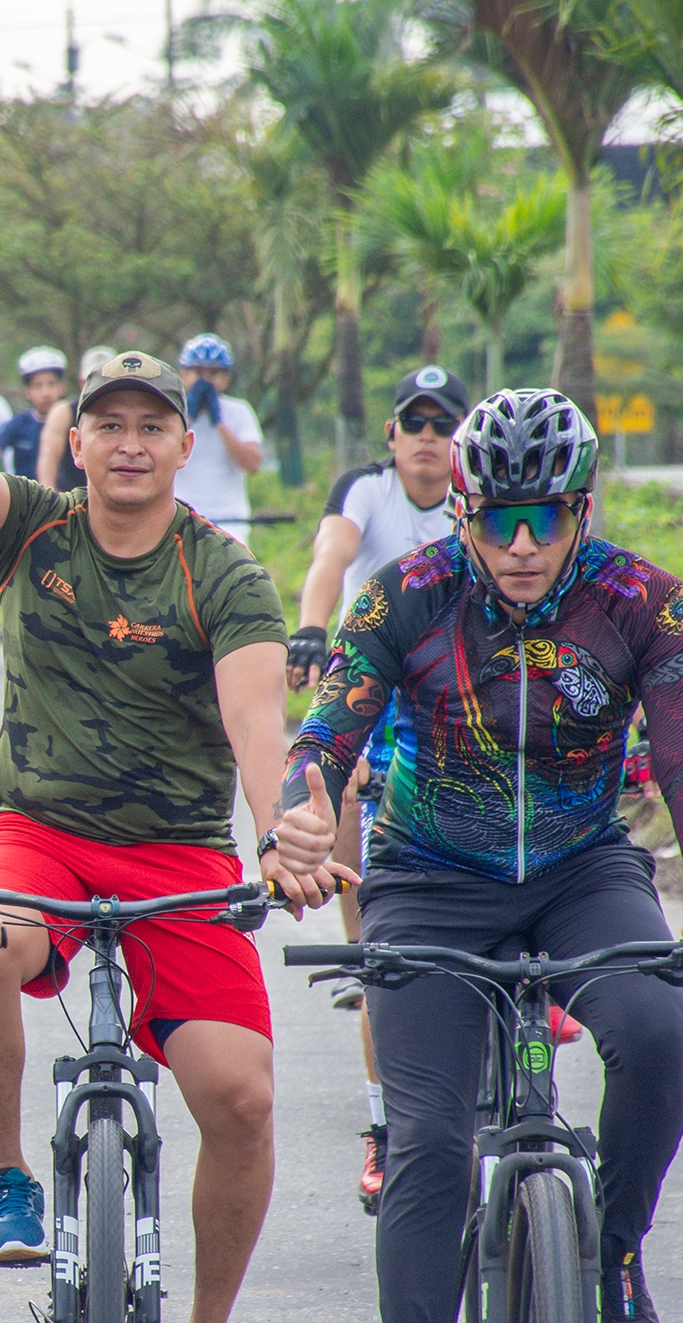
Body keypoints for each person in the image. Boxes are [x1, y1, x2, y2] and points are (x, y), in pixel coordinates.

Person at [267, 387, 683, 1323]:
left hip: (584, 867)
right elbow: (325, 736)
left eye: (549, 516)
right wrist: (298, 818)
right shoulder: (404, 595)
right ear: (464, 513)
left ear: (584, 507)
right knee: (428, 1149)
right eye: (500, 519)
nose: (526, 544)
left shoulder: (646, 602)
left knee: (655, 1032)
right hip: (429, 878)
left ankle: (617, 1254)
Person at [0, 294, 343, 1323]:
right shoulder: (33, 531)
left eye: (153, 425)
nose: (130, 443)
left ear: (186, 445)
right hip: (35, 828)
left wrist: (280, 833)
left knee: (241, 1099)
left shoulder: (223, 572)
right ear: (77, 439)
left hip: (179, 855)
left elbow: (257, 727)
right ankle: (7, 1177)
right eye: (110, 424)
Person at [284, 365, 469, 1210]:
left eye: (442, 424)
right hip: (375, 687)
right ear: (391, 435)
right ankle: (383, 1118)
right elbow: (330, 559)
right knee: (378, 940)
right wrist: (311, 628)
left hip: (467, 689)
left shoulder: (484, 500)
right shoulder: (366, 490)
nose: (427, 438)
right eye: (413, 423)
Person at [172, 335, 265, 542]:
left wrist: (219, 423)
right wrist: (188, 418)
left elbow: (252, 465)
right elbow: (163, 454)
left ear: (225, 379)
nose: (205, 381)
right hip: (181, 519)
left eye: (213, 373)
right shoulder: (172, 412)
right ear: (184, 375)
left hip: (230, 522)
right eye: (198, 373)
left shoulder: (239, 411)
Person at [33, 345, 113, 493]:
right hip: (72, 497)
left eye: (107, 380)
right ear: (81, 382)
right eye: (94, 380)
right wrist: (50, 500)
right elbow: (48, 459)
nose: (100, 386)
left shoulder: (133, 414)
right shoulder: (64, 412)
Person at [0, 346, 69, 477]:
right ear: (27, 391)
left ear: (62, 387)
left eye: (51, 384)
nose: (45, 393)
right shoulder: (19, 423)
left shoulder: (76, 420)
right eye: (38, 386)